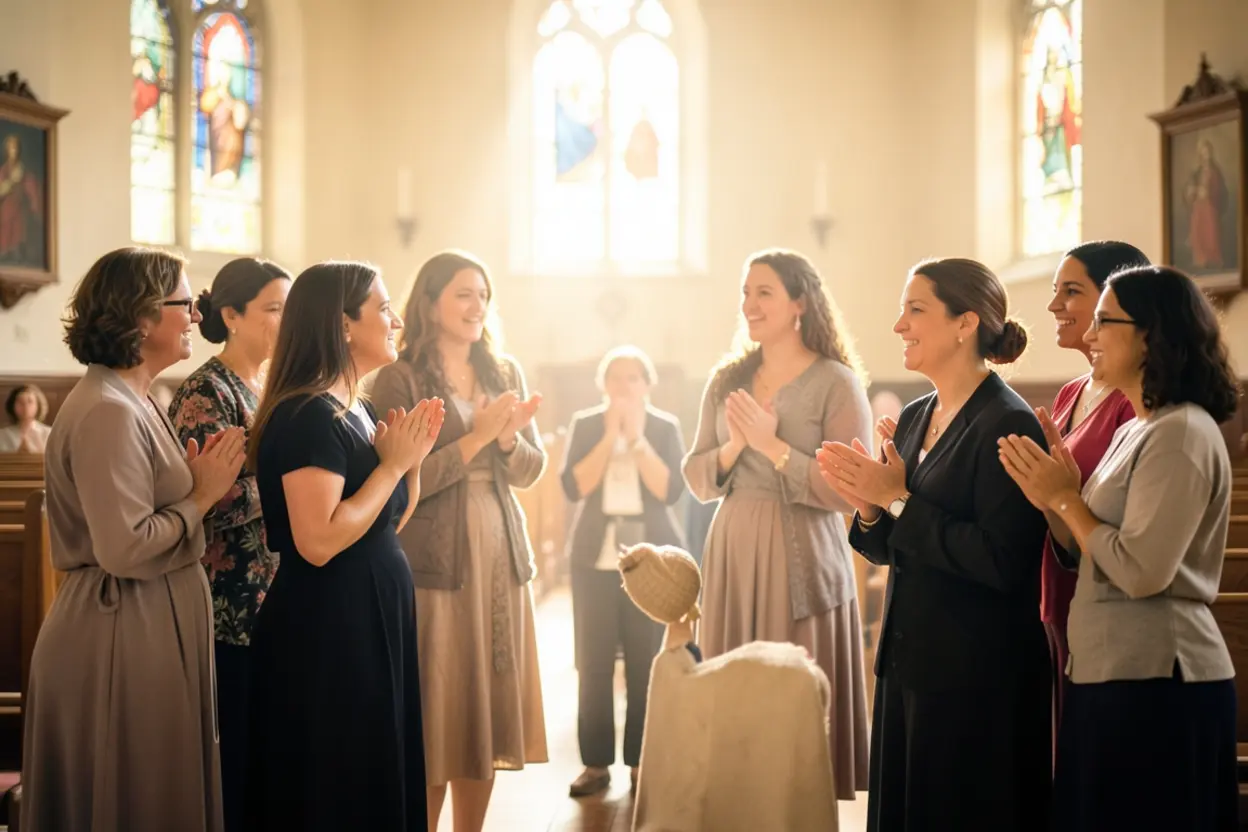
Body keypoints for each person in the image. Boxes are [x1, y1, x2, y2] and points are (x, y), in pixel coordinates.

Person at [998, 265, 1241, 831]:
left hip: (1161, 681)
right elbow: (1087, 549)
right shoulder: (1137, 428)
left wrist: (1068, 501)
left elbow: (1141, 571)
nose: (1089, 335)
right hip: (1109, 672)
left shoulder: (1181, 432)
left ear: (1151, 334)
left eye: (1104, 320)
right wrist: (1050, 499)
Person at [818, 257, 1051, 831]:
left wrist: (897, 500)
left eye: (915, 309)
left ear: (965, 322)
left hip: (976, 678)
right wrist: (871, 508)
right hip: (911, 661)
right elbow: (895, 545)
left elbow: (1001, 560)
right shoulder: (921, 413)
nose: (899, 325)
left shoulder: (1006, 422)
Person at [21, 246, 245, 831]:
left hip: (145, 619)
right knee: (135, 803)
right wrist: (201, 496)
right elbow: (124, 547)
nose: (197, 315)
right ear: (142, 318)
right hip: (119, 628)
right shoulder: (108, 410)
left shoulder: (133, 397)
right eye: (186, 304)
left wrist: (192, 487)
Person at [244, 261, 441, 831]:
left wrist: (412, 466)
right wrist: (393, 467)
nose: (397, 319)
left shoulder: (357, 407)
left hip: (371, 611)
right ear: (342, 324)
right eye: (383, 308)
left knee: (377, 763)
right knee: (337, 781)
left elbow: (383, 525)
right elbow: (320, 541)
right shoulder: (308, 414)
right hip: (327, 626)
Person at [682, 247, 873, 799]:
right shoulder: (726, 380)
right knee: (735, 700)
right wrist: (732, 449)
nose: (749, 304)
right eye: (745, 292)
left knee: (796, 716)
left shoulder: (837, 382)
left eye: (763, 292)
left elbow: (848, 488)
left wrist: (773, 448)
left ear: (800, 303)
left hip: (804, 554)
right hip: (734, 547)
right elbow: (695, 476)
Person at [370, 250, 547, 832]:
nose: (477, 306)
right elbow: (395, 481)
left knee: (484, 714)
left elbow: (530, 469)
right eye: (463, 294)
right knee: (438, 710)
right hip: (433, 556)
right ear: (430, 302)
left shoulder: (504, 371)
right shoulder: (401, 377)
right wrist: (477, 440)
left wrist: (504, 443)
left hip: (498, 549)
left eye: (483, 295)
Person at [169, 256, 291, 832]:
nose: (285, 319)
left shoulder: (267, 385)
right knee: (237, 754)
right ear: (232, 315)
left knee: (274, 753)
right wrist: (290, 485)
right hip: (231, 602)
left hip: (276, 594)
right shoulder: (205, 392)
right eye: (273, 308)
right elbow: (209, 504)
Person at [559, 345, 688, 797]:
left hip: (651, 561)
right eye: (615, 378)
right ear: (604, 385)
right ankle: (595, 764)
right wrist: (609, 435)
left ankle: (640, 761)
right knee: (592, 663)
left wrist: (634, 440)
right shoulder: (586, 423)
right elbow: (574, 486)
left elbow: (671, 490)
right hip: (594, 557)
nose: (624, 386)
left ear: (647, 384)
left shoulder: (664, 426)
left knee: (643, 660)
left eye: (633, 378)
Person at [1036, 241, 1148, 737]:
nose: (1054, 305)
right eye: (1055, 291)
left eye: (1071, 291)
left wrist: (1057, 493)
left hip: (1104, 593)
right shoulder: (1071, 391)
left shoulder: (1135, 401)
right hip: (1056, 590)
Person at [0, 383, 51, 453]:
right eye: (20, 402)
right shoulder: (3, 435)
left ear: (38, 405)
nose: (25, 406)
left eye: (30, 401)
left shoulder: (48, 434)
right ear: (12, 406)